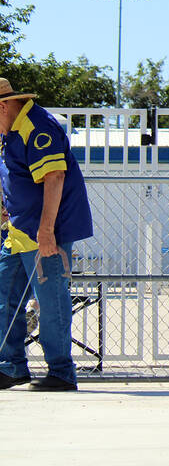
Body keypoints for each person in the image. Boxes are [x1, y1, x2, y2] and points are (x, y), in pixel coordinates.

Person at [0, 78, 94, 391]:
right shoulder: (12, 131)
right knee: (3, 296)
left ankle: (61, 372)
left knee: (51, 301)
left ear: (3, 106)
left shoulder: (38, 126)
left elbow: (54, 177)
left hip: (44, 232)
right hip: (18, 231)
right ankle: (11, 367)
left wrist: (46, 230)